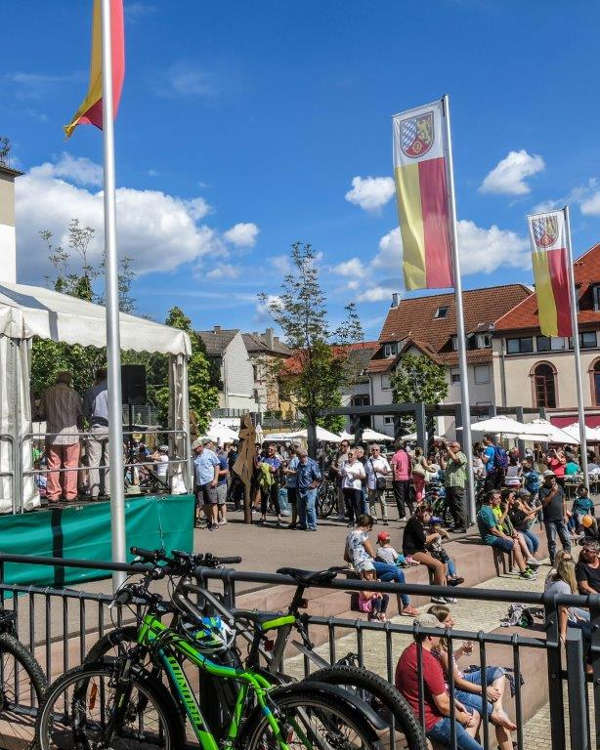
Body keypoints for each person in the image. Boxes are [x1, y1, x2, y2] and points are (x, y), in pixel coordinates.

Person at [427, 604, 517, 750]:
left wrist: (461, 651)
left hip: (461, 679)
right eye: (449, 621)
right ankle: (497, 713)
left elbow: (449, 664)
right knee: (496, 718)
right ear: (439, 623)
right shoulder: (439, 648)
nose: (453, 622)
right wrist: (484, 690)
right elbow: (457, 681)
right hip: (455, 688)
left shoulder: (443, 640)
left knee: (498, 672)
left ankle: (498, 708)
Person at [395, 613, 482, 750]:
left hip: (412, 713)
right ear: (430, 636)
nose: (442, 634)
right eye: (439, 630)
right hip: (429, 721)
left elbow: (437, 692)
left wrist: (455, 702)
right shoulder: (428, 661)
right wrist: (461, 717)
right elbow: (443, 705)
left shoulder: (409, 652)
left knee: (473, 714)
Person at [345, 515, 418, 616]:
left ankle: (376, 583)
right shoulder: (362, 534)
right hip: (368, 564)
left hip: (359, 567)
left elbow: (346, 557)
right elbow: (372, 553)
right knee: (398, 572)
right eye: (370, 528)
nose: (370, 530)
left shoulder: (349, 535)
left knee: (394, 571)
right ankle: (406, 605)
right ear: (367, 525)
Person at [41, 371, 83, 502]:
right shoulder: (74, 394)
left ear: (57, 379)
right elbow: (80, 413)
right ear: (69, 381)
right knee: (71, 465)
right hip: (71, 434)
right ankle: (70, 494)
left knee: (53, 465)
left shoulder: (47, 393)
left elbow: (41, 413)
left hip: (53, 434)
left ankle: (53, 494)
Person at [476, 491, 536, 580]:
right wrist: (506, 537)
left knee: (516, 541)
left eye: (500, 498)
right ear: (490, 500)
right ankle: (523, 572)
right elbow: (494, 531)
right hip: (491, 539)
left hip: (496, 536)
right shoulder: (485, 512)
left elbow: (497, 526)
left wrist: (508, 536)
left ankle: (524, 568)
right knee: (515, 545)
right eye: (498, 498)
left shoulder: (490, 509)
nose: (500, 500)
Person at [402, 505, 452, 599]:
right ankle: (439, 594)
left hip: (419, 550)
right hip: (412, 552)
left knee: (442, 564)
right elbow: (424, 539)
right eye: (430, 516)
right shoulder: (415, 523)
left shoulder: (418, 522)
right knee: (438, 565)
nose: (430, 519)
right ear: (425, 514)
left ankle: (444, 590)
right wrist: (436, 534)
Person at [546, 555, 591, 641]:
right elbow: (563, 611)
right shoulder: (564, 587)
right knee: (592, 631)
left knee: (591, 617)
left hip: (556, 617)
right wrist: (563, 634)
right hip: (558, 622)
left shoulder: (554, 578)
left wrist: (575, 616)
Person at [83, 368, 110, 499]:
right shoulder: (115, 389)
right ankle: (109, 491)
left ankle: (94, 493)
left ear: (97, 378)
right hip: (112, 429)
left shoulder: (90, 391)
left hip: (96, 428)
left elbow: (85, 412)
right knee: (110, 461)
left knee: (94, 462)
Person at [539, 470, 571, 566]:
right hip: (550, 520)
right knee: (552, 542)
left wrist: (565, 515)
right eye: (550, 477)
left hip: (560, 518)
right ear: (545, 479)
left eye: (553, 477)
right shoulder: (542, 489)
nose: (552, 479)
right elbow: (544, 503)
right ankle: (554, 562)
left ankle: (567, 559)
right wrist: (552, 492)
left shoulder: (560, 487)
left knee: (566, 540)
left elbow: (563, 501)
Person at [192, 437, 220, 530]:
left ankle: (215, 521)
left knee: (213, 502)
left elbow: (217, 465)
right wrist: (195, 485)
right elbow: (195, 471)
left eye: (195, 449)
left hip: (209, 481)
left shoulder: (210, 453)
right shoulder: (195, 456)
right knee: (202, 504)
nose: (194, 450)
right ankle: (209, 520)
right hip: (199, 483)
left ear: (200, 447)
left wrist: (215, 479)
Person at [441, 440, 468, 532]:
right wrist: (441, 457)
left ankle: (463, 526)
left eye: (452, 446)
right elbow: (443, 467)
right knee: (452, 506)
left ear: (458, 448)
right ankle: (457, 524)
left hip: (457, 484)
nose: (450, 448)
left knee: (458, 505)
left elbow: (457, 461)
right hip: (449, 484)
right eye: (450, 446)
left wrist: (448, 449)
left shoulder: (461, 455)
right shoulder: (450, 457)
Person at [296, 448, 321, 531]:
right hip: (300, 489)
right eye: (299, 456)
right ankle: (303, 524)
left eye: (303, 456)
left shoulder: (312, 464)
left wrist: (313, 485)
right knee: (301, 508)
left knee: (310, 508)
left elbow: (318, 477)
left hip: (310, 489)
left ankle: (312, 526)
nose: (301, 458)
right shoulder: (299, 464)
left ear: (306, 455)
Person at [260, 444, 285, 526]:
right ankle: (263, 515)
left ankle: (278, 515)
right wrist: (263, 465)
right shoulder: (264, 458)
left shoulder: (277, 459)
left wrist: (265, 466)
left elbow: (274, 469)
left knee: (275, 499)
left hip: (274, 481)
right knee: (264, 498)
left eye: (271, 449)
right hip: (264, 481)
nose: (269, 451)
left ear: (275, 451)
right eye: (268, 449)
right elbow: (258, 466)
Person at [366, 444, 391, 525]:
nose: (375, 451)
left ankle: (385, 518)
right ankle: (374, 517)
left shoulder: (383, 460)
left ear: (379, 451)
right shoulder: (369, 460)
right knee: (371, 502)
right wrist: (366, 484)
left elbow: (388, 471)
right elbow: (366, 473)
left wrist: (380, 470)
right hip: (371, 484)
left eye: (377, 450)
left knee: (382, 501)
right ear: (371, 451)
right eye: (373, 450)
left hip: (380, 483)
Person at [341, 449, 366, 526]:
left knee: (356, 504)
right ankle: (351, 520)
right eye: (349, 454)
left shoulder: (359, 464)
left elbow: (363, 475)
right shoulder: (344, 463)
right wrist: (344, 474)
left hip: (356, 487)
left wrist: (356, 475)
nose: (350, 456)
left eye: (351, 454)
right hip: (346, 486)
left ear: (355, 455)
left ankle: (358, 521)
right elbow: (340, 473)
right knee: (349, 504)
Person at [391, 439, 412, 520]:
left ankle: (402, 516)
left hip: (398, 479)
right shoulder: (407, 455)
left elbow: (393, 469)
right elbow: (410, 467)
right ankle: (412, 512)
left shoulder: (395, 455)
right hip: (407, 478)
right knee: (407, 497)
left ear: (397, 445)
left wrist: (395, 477)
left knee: (400, 498)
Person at [283, 444, 300, 529]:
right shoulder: (291, 460)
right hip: (290, 484)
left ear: (290, 451)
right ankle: (294, 521)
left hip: (295, 485)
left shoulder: (296, 460)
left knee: (295, 504)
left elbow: (298, 471)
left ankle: (295, 521)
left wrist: (287, 470)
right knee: (293, 504)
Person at [216, 445, 229, 525]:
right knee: (215, 502)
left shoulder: (221, 459)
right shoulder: (212, 459)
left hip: (221, 484)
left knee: (221, 502)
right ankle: (216, 518)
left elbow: (226, 470)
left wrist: (217, 473)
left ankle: (224, 518)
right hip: (214, 484)